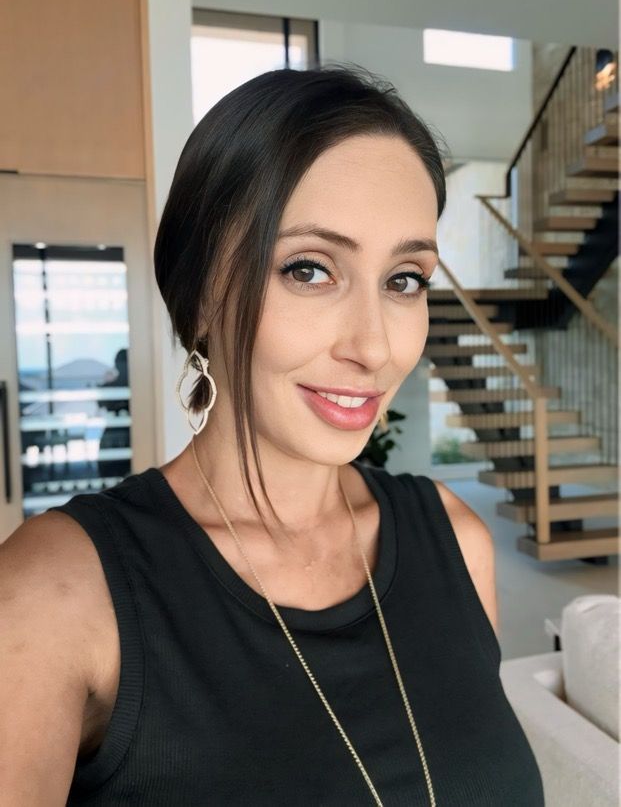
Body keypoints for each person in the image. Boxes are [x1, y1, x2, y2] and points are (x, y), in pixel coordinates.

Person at [0, 63, 545, 806]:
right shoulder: (56, 592)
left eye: (404, 279)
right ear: (197, 295)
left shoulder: (456, 538)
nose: (375, 346)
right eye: (310, 269)